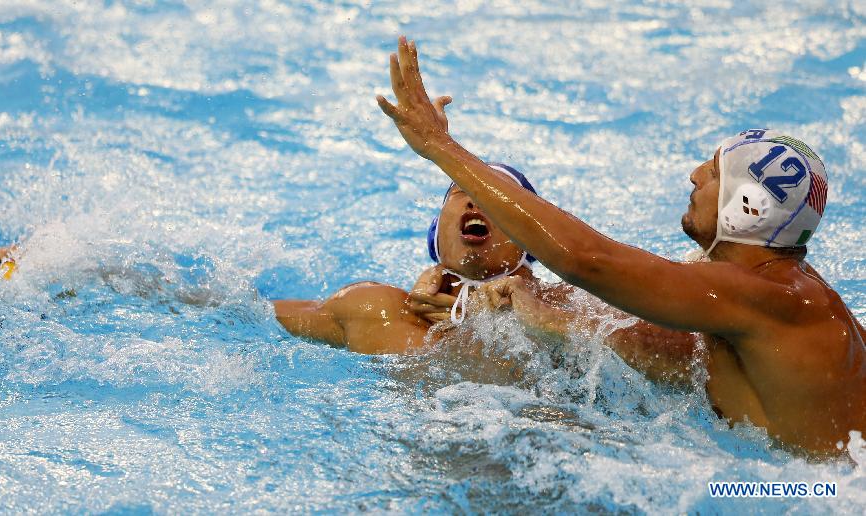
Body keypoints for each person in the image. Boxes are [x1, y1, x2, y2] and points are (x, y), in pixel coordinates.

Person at [376, 36, 864, 455]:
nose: (694, 175)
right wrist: (512, 301)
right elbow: (658, 337)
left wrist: (439, 147)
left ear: (748, 205)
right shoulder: (762, 295)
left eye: (714, 172)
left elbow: (588, 261)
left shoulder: (768, 296)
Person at [272, 160, 547, 355]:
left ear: (530, 240)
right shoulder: (376, 310)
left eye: (499, 198)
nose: (477, 201)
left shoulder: (561, 309)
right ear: (436, 233)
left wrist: (532, 310)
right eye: (464, 191)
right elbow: (251, 312)